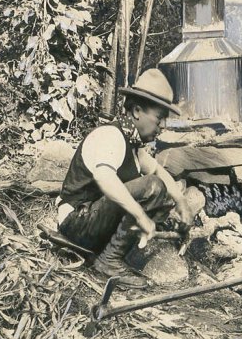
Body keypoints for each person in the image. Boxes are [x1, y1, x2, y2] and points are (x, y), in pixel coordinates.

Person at [57, 68, 192, 288]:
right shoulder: (110, 135)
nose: (162, 126)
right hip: (76, 223)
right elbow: (105, 179)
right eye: (159, 119)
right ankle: (109, 261)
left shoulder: (133, 145)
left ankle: (114, 254)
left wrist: (182, 202)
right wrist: (140, 215)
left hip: (93, 222)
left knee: (161, 189)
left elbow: (158, 170)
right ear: (137, 111)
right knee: (152, 187)